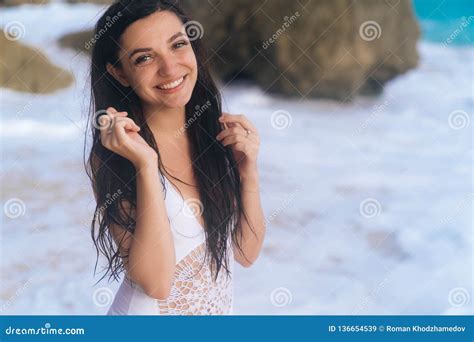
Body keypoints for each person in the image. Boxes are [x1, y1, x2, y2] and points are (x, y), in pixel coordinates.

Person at [84, 0, 265, 315]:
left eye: (178, 45)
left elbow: (245, 253)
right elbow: (156, 283)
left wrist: (248, 171)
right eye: (144, 58)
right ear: (120, 73)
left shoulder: (214, 134)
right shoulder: (115, 156)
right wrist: (146, 166)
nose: (169, 68)